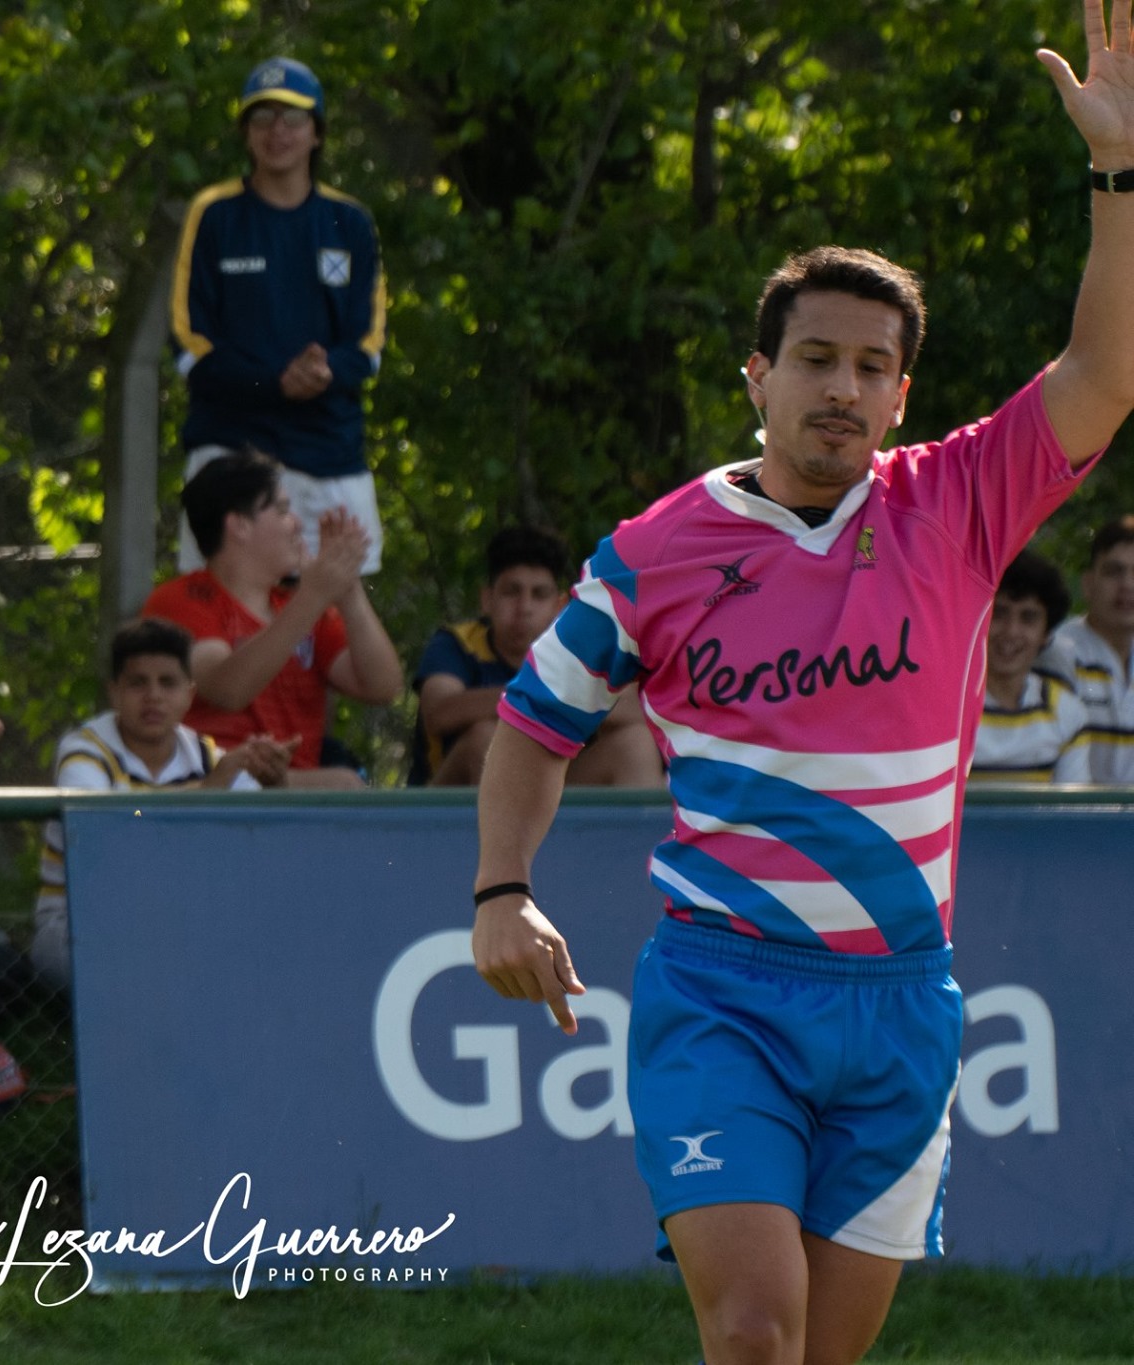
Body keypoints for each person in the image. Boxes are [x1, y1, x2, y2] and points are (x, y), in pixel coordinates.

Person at [471, 13, 1134, 1361]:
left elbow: (1106, 374)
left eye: (873, 366)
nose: (844, 386)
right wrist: (501, 889)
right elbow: (533, 726)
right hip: (723, 994)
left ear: (902, 394)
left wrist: (1119, 178)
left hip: (903, 1005)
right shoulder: (651, 553)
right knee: (759, 1337)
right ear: (758, 374)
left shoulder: (957, 500)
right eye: (817, 359)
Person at [171, 56, 388, 573]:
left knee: (340, 629)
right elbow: (189, 341)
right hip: (230, 454)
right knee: (222, 631)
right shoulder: (214, 214)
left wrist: (325, 371)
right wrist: (275, 383)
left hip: (330, 456)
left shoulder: (351, 221)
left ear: (317, 133)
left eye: (293, 117)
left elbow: (369, 346)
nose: (278, 131)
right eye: (262, 117)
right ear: (246, 134)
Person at [33, 618, 293, 987]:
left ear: (189, 693)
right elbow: (105, 846)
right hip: (81, 921)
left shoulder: (207, 757)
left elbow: (266, 848)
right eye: (138, 683)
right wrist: (208, 795)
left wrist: (276, 785)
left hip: (183, 923)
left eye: (167, 683)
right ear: (114, 692)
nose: (153, 696)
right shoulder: (84, 751)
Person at [143, 447, 402, 788]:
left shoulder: (302, 605)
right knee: (345, 784)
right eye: (281, 510)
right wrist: (312, 596)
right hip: (210, 786)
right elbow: (229, 689)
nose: (296, 523)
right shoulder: (179, 600)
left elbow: (384, 687)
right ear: (239, 526)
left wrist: (347, 589)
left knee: (347, 784)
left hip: (288, 789)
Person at [409, 526, 663, 787]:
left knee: (635, 743)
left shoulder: (582, 650)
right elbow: (440, 712)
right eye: (511, 592)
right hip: (444, 810)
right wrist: (548, 694)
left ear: (560, 605)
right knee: (486, 738)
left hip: (546, 793)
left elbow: (640, 709)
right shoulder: (455, 643)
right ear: (487, 599)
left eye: (539, 594)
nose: (524, 608)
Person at [972, 549, 1090, 782]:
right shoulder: (947, 710)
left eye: (1028, 618)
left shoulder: (1067, 713)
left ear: (1046, 634)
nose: (1011, 631)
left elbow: (1074, 814)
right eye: (999, 613)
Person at [1042, 513, 1134, 779]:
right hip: (1079, 817)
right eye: (1113, 572)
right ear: (1088, 584)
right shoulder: (1060, 650)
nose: (1127, 585)